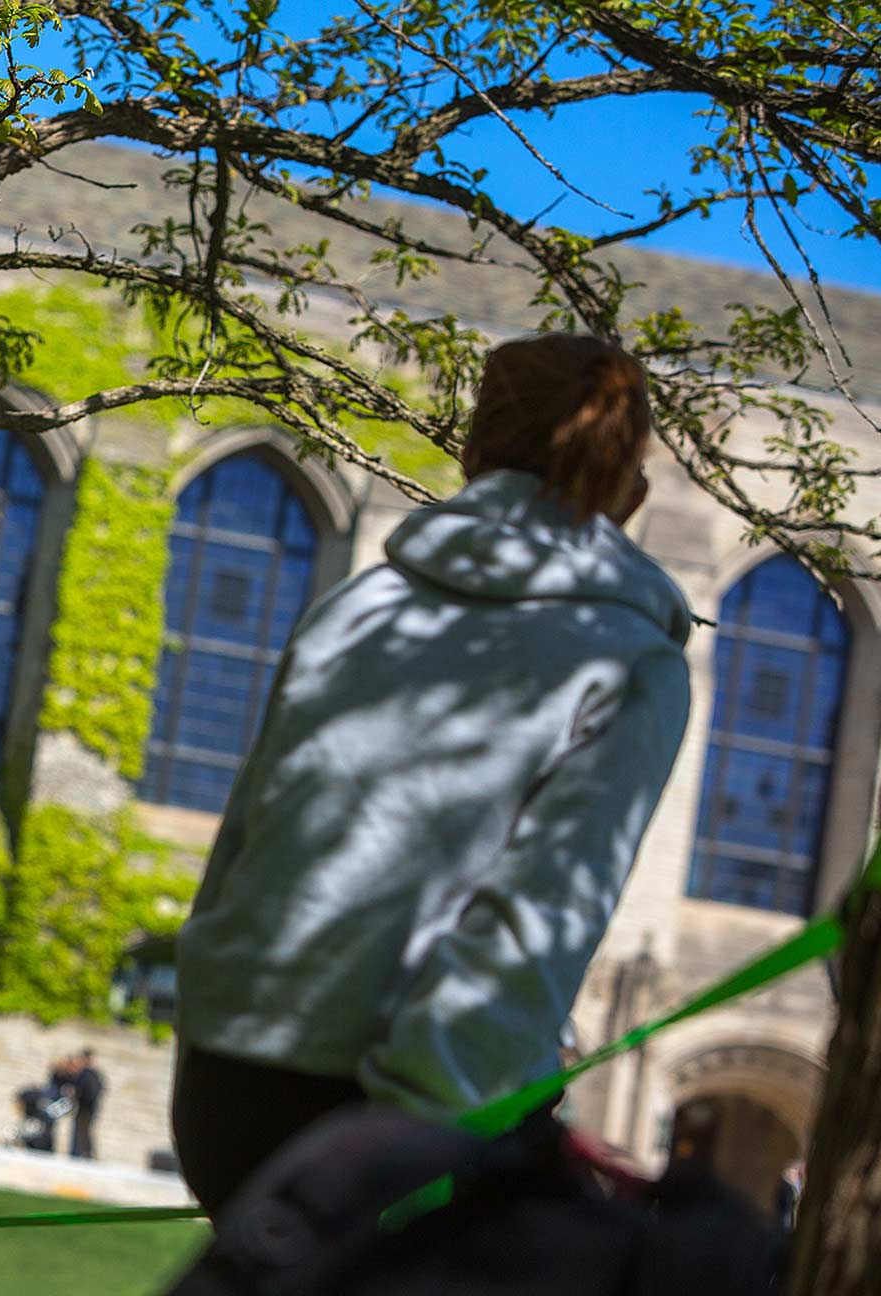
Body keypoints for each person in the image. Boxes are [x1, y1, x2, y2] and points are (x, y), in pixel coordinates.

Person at [169, 333, 693, 1217]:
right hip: (398, 1119)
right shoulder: (634, 658)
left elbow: (247, 842)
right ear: (632, 492)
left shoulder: (361, 604)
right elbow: (539, 920)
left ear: (472, 452)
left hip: (227, 1085)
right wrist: (412, 1135)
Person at [69, 1047, 103, 1159]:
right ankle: (84, 1152)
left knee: (84, 1131)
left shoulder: (88, 1074)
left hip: (86, 1108)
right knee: (84, 1131)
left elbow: (85, 1090)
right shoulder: (92, 1074)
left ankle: (85, 1153)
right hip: (86, 1107)